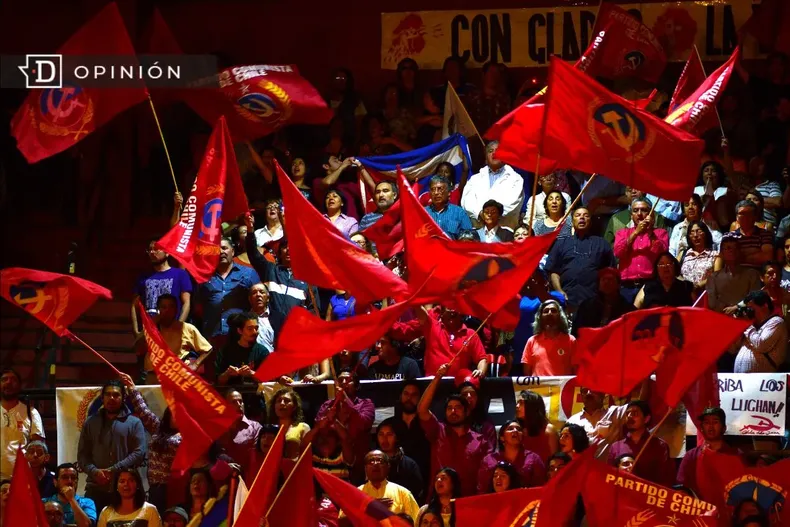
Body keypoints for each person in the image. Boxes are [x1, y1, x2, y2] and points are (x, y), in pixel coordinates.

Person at [417, 363, 490, 497]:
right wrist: (438, 377)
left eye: (458, 408)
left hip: (468, 503)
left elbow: (486, 474)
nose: (453, 411)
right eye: (449, 408)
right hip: (438, 503)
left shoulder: (481, 441)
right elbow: (422, 410)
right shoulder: (438, 430)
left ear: (467, 412)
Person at [77, 380, 147, 514]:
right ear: (102, 398)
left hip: (126, 489)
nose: (111, 398)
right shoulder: (91, 422)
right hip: (96, 488)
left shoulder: (134, 423)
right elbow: (82, 456)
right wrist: (94, 471)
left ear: (123, 398)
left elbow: (139, 452)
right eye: (108, 395)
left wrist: (114, 470)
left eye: (116, 395)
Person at [244, 215, 321, 334]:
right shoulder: (270, 269)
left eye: (293, 246)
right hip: (268, 331)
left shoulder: (308, 281)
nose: (289, 249)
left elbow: (314, 312)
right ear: (280, 253)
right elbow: (253, 254)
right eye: (285, 247)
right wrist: (250, 230)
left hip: (296, 334)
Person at [119, 373, 178, 514]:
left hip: (174, 487)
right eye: (174, 413)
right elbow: (143, 410)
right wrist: (131, 387)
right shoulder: (158, 429)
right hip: (155, 488)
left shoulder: (188, 437)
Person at [546, 207, 616, 310]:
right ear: (572, 220)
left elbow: (610, 271)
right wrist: (560, 292)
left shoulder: (602, 244)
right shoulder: (561, 243)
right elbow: (553, 271)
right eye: (578, 215)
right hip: (566, 300)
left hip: (595, 301)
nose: (582, 218)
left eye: (586, 215)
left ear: (590, 221)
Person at [392, 306, 488, 378]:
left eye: (455, 308)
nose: (452, 311)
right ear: (441, 314)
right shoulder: (432, 326)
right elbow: (420, 311)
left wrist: (481, 371)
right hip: (432, 385)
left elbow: (482, 358)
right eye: (448, 308)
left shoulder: (470, 334)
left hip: (459, 386)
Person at [197, 238, 261, 339]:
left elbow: (259, 302)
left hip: (241, 336)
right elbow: (198, 307)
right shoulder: (204, 277)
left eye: (224, 248)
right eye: (216, 250)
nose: (221, 252)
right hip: (212, 337)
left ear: (233, 251)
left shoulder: (249, 274)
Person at [315, 369, 375, 475]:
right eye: (340, 380)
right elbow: (318, 429)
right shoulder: (328, 405)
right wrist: (327, 419)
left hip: (358, 462)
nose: (343, 383)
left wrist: (346, 400)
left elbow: (363, 424)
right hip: (331, 462)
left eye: (348, 380)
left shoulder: (366, 404)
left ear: (356, 386)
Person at [566, 383, 649, 460]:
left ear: (603, 394)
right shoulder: (572, 421)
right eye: (584, 391)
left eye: (593, 390)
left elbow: (639, 406)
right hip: (581, 472)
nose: (588, 393)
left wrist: (646, 379)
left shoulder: (615, 413)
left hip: (607, 472)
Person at [142, 294, 212, 384]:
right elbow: (138, 348)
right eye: (163, 307)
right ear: (158, 310)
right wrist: (150, 325)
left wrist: (195, 364)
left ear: (176, 310)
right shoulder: (152, 328)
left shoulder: (186, 328)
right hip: (153, 376)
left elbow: (208, 349)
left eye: (171, 307)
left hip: (178, 376)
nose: (167, 310)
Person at [614, 197, 670, 303]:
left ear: (651, 214)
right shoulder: (622, 233)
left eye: (644, 210)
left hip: (651, 285)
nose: (639, 214)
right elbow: (618, 252)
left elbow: (662, 253)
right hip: (627, 286)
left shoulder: (660, 233)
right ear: (631, 215)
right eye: (635, 210)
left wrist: (649, 232)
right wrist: (635, 233)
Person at [131, 240, 192, 337]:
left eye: (156, 249)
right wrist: (136, 331)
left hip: (171, 331)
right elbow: (134, 305)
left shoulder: (180, 274)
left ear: (167, 252)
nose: (152, 252)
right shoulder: (143, 277)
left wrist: (178, 326)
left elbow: (186, 303)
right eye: (150, 250)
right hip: (149, 332)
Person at [607, 401, 674, 486]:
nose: (629, 416)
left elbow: (666, 480)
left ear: (646, 419)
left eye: (634, 413)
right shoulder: (616, 446)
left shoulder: (660, 446)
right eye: (627, 413)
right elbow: (610, 476)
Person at [676, 407, 740, 496]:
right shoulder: (691, 456)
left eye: (715, 422)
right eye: (706, 423)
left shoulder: (735, 455)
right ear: (701, 428)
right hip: (700, 507)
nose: (710, 426)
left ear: (724, 428)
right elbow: (682, 485)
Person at [461, 141, 524, 230]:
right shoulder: (475, 179)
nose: (494, 153)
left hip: (504, 232)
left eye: (498, 151)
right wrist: (480, 213)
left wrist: (491, 214)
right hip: (479, 230)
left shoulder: (516, 179)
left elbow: (512, 203)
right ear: (486, 157)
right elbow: (467, 201)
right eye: (490, 151)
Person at [344, 450, 420, 523]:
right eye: (371, 461)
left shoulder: (403, 493)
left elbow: (416, 523)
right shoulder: (354, 494)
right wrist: (368, 508)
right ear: (365, 468)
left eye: (380, 460)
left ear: (388, 466)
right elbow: (343, 522)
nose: (375, 463)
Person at [477, 420, 546, 493]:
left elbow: (541, 487)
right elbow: (482, 489)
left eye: (519, 429)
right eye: (510, 429)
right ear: (502, 437)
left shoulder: (533, 459)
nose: (515, 431)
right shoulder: (489, 460)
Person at [1, 368, 44, 480]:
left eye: (13, 379)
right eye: (4, 379)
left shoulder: (31, 413)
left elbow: (38, 449)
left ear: (20, 385)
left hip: (21, 478)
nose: (9, 382)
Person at [734, 290, 787, 373]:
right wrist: (738, 325)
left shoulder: (776, 322)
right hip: (740, 382)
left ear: (765, 305)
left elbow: (761, 344)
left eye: (751, 308)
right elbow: (733, 349)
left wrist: (747, 325)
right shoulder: (751, 326)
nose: (748, 311)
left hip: (763, 382)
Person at [521, 300, 577, 376]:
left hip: (562, 388)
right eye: (546, 311)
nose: (549, 313)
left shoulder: (571, 340)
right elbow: (527, 373)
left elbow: (576, 371)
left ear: (560, 316)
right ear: (540, 317)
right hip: (538, 388)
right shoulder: (532, 341)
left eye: (553, 311)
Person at [706, 236, 761, 314]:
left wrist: (737, 307)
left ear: (740, 251)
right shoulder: (713, 277)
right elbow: (712, 303)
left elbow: (755, 298)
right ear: (721, 253)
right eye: (728, 248)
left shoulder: (752, 274)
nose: (732, 250)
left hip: (746, 317)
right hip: (721, 317)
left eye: (735, 248)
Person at [573, 268, 635, 336]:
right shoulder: (586, 306)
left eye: (610, 280)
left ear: (618, 285)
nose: (606, 282)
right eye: (603, 279)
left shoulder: (627, 309)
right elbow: (577, 331)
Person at [375, 418, 424, 502]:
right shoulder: (372, 463)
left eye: (389, 434)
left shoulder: (409, 465)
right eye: (381, 434)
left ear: (397, 437)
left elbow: (416, 494)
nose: (384, 438)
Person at [215, 312, 270, 386]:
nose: (255, 332)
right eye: (250, 329)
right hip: (231, 392)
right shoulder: (225, 351)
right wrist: (227, 374)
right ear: (240, 331)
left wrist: (251, 373)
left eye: (256, 328)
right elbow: (218, 382)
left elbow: (268, 379)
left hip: (255, 393)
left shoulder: (262, 351)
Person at [97, 469, 161, 527]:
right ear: (116, 486)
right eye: (122, 481)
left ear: (137, 485)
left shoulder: (150, 510)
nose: (126, 484)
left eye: (131, 480)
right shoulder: (106, 512)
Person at [219, 390, 262, 474]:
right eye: (234, 402)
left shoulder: (255, 427)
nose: (239, 405)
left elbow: (257, 455)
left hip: (248, 476)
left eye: (241, 401)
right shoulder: (218, 429)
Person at [394, 381, 431, 481]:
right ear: (400, 396)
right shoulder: (390, 425)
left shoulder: (428, 424)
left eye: (414, 394)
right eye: (406, 394)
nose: (409, 398)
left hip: (423, 478)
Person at [42, 463, 97, 527]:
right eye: (64, 477)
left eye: (73, 478)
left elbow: (86, 525)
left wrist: (71, 499)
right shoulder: (44, 502)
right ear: (55, 482)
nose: (69, 481)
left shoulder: (87, 503)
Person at [266, 387, 310, 459]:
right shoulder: (268, 428)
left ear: (294, 406)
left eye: (286, 401)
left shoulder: (303, 427)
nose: (282, 404)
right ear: (274, 406)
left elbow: (307, 455)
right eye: (279, 401)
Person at [678, 221, 721, 294]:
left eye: (698, 231)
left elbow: (717, 277)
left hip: (705, 296)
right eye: (692, 232)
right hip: (684, 296)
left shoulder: (715, 256)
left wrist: (698, 285)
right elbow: (675, 273)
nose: (695, 235)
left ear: (705, 234)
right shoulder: (683, 254)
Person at [516, 390, 559, 463]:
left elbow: (555, 461)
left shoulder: (549, 430)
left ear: (532, 406)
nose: (517, 406)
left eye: (521, 403)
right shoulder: (516, 430)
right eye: (517, 403)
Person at [426, 175, 473, 239]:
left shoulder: (459, 213)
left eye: (440, 189)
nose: (436, 193)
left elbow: (469, 237)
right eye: (433, 190)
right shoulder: (422, 213)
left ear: (449, 193)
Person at [730, 200, 773, 268]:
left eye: (749, 214)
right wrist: (756, 251)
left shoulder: (765, 234)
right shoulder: (729, 236)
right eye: (742, 213)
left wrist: (741, 255)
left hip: (758, 273)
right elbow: (729, 258)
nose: (745, 217)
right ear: (736, 217)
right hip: (737, 274)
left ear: (755, 216)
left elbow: (767, 256)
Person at [248, 283, 275, 353]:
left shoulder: (279, 318)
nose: (258, 295)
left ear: (268, 298)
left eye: (262, 292)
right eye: (254, 293)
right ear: (250, 299)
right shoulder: (243, 319)